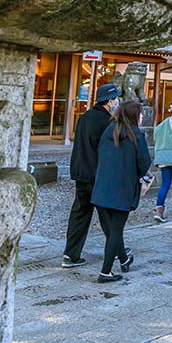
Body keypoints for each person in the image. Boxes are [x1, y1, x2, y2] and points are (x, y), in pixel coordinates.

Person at [91, 98, 151, 283]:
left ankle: (124, 259)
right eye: (140, 114)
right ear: (135, 115)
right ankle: (105, 271)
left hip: (101, 187)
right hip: (122, 188)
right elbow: (144, 163)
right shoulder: (136, 135)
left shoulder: (110, 130)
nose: (142, 117)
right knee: (116, 230)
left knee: (111, 230)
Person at [62, 83, 118, 268]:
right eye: (115, 99)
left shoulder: (85, 118)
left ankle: (71, 254)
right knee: (107, 214)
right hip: (98, 174)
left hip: (81, 172)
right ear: (110, 101)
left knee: (80, 214)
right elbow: (108, 151)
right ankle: (118, 251)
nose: (117, 102)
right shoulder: (108, 122)